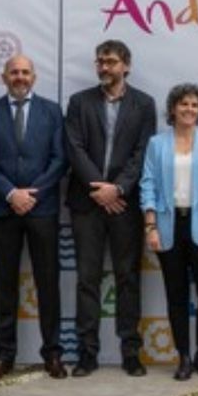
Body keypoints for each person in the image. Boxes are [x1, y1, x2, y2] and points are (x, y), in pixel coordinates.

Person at [65, 40, 156, 377]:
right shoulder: (79, 102)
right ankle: (87, 352)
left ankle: (130, 351)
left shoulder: (144, 104)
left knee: (128, 279)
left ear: (126, 66)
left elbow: (142, 153)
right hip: (87, 204)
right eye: (100, 61)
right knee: (87, 280)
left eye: (111, 62)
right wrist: (99, 189)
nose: (104, 67)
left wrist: (117, 188)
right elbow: (73, 149)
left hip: (125, 205)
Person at [0, 55, 69, 380]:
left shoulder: (52, 111)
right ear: (3, 77)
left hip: (42, 209)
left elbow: (60, 159)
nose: (19, 77)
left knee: (48, 283)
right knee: (4, 285)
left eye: (25, 72)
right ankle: (3, 355)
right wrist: (11, 193)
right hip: (4, 209)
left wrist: (32, 193)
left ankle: (53, 353)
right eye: (14, 72)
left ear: (34, 76)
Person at [141, 83, 198, 380]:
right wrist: (151, 225)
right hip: (169, 226)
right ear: (172, 109)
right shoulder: (157, 144)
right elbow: (148, 185)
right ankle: (183, 357)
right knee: (176, 295)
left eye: (194, 105)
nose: (189, 110)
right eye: (184, 104)